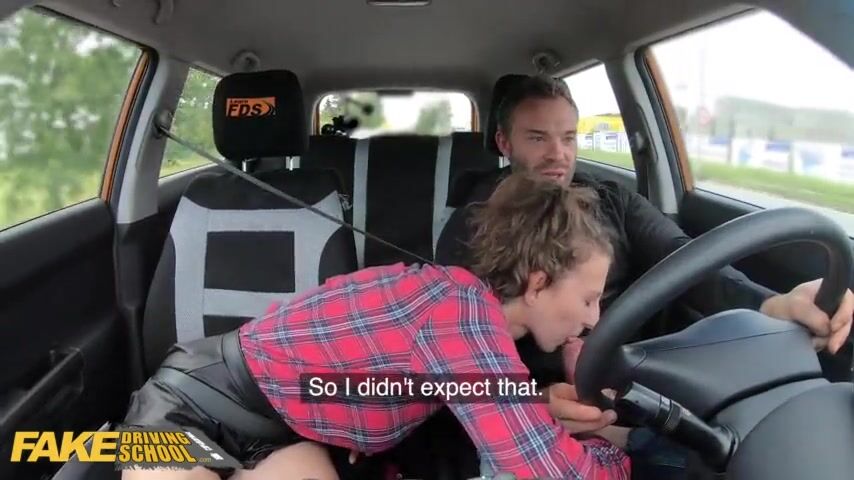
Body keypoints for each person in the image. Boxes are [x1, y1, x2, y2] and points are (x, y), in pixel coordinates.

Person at [435, 74, 854, 476]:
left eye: (568, 137)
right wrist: (529, 401)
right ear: (504, 142)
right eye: (537, 138)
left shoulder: (611, 200)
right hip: (534, 403)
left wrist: (770, 303)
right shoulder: (474, 227)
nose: (558, 154)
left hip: (644, 385)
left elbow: (685, 259)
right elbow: (455, 348)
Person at [121, 172, 631, 480]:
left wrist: (533, 405)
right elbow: (549, 470)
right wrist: (624, 452)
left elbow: (466, 397)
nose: (594, 318)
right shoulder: (460, 317)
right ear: (538, 283)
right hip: (190, 406)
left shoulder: (470, 319)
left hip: (282, 434)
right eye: (588, 299)